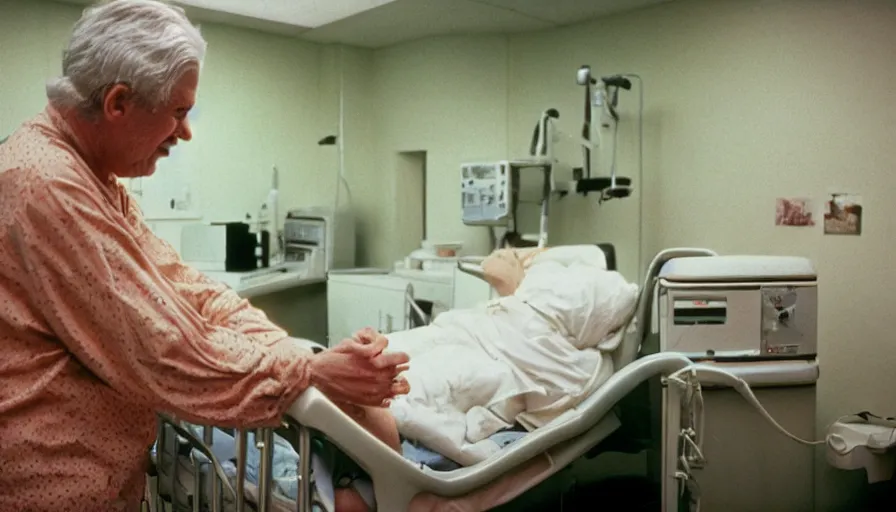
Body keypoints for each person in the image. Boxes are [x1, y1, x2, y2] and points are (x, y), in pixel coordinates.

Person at [0, 1, 408, 511]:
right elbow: (161, 348)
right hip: (50, 483)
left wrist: (304, 359)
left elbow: (184, 288)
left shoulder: (92, 178)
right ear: (118, 102)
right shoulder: (46, 183)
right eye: (178, 111)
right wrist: (311, 374)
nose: (185, 131)